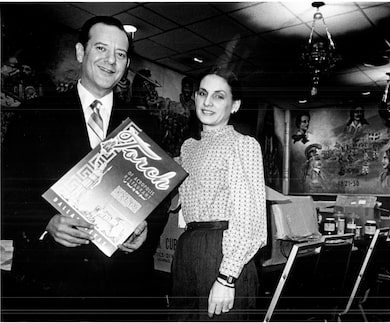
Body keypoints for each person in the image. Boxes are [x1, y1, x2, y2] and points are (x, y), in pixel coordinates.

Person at [2, 16, 169, 321]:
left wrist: (145, 230)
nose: (111, 60)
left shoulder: (146, 124)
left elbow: (160, 198)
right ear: (81, 52)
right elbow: (8, 191)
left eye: (120, 54)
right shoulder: (34, 114)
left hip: (121, 286)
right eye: (102, 49)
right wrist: (45, 222)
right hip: (51, 283)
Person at [169, 68, 267, 321]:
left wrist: (227, 277)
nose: (208, 102)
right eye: (203, 93)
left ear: (234, 105)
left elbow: (249, 217)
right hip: (188, 247)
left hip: (223, 249)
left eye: (219, 96)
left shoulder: (243, 145)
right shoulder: (189, 147)